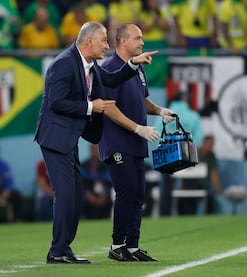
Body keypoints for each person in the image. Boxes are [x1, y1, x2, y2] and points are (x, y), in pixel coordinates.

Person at [34, 21, 159, 264]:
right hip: (54, 137)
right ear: (89, 41)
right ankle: (58, 251)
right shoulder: (63, 64)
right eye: (103, 40)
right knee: (66, 193)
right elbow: (56, 103)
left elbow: (111, 80)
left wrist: (134, 62)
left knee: (74, 193)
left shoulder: (89, 64)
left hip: (69, 138)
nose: (107, 45)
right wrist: (92, 107)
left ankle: (63, 250)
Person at [99, 23, 174, 262]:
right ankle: (117, 245)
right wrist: (138, 128)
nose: (142, 42)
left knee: (139, 193)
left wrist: (160, 110)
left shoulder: (137, 67)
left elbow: (143, 102)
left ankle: (131, 246)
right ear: (123, 41)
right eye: (138, 38)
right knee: (127, 189)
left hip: (135, 142)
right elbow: (109, 108)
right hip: (117, 141)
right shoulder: (110, 68)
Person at [158, 91, 204, 216]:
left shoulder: (165, 115)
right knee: (189, 185)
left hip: (168, 155)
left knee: (166, 187)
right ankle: (187, 214)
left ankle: (165, 214)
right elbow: (199, 139)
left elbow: (158, 134)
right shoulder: (194, 116)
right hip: (186, 154)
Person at [80, 144, 112, 219]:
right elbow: (82, 184)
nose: (95, 151)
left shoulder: (106, 166)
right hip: (88, 197)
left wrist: (103, 196)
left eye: (97, 149)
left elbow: (109, 183)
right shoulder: (83, 166)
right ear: (90, 151)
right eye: (93, 149)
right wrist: (91, 197)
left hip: (104, 197)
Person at [0, 148, 22, 222]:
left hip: (3, 192)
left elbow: (9, 182)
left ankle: (16, 219)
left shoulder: (4, 165)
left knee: (16, 195)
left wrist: (4, 195)